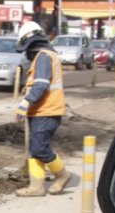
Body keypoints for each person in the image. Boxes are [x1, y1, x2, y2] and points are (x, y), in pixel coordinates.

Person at [13, 21, 74, 197]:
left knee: (40, 148)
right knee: (35, 149)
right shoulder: (44, 56)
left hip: (47, 111)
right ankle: (36, 187)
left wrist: (24, 105)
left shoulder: (44, 56)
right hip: (41, 111)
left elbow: (41, 84)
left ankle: (62, 175)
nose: (26, 53)